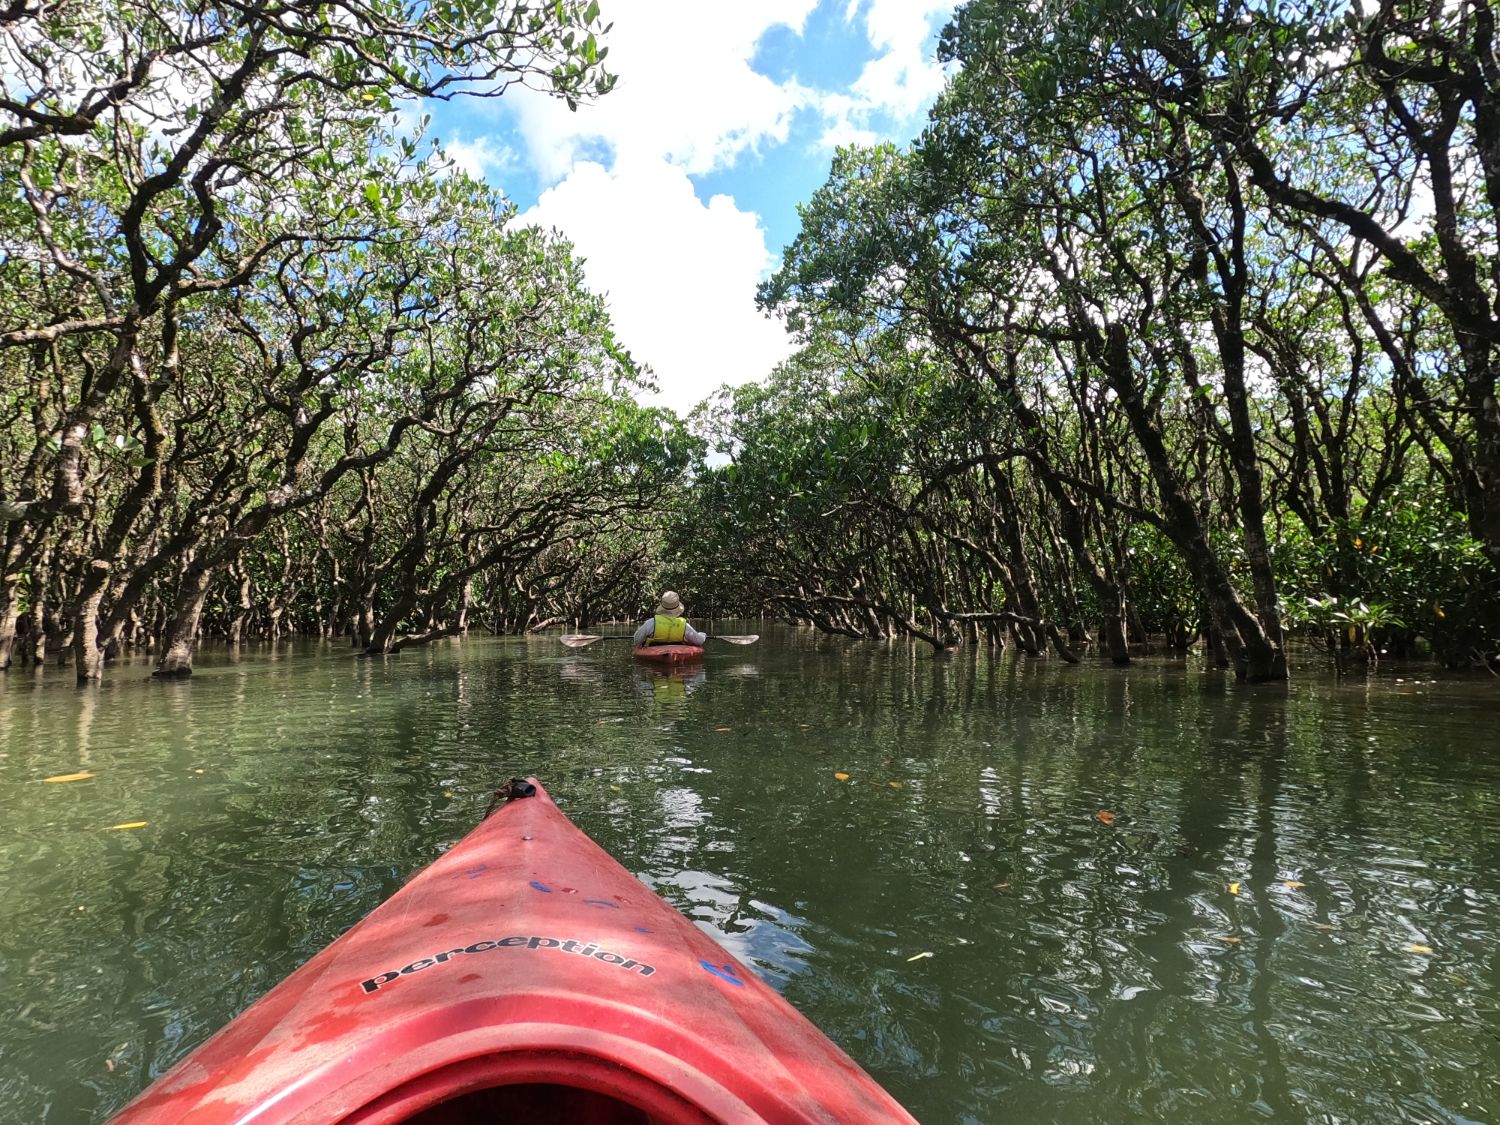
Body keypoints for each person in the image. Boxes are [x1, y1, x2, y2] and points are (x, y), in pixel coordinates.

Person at [633, 590, 706, 647]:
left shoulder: (651, 623)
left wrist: (637, 634)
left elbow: (637, 640)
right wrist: (702, 635)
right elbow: (699, 641)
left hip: (653, 649)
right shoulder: (684, 625)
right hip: (677, 649)